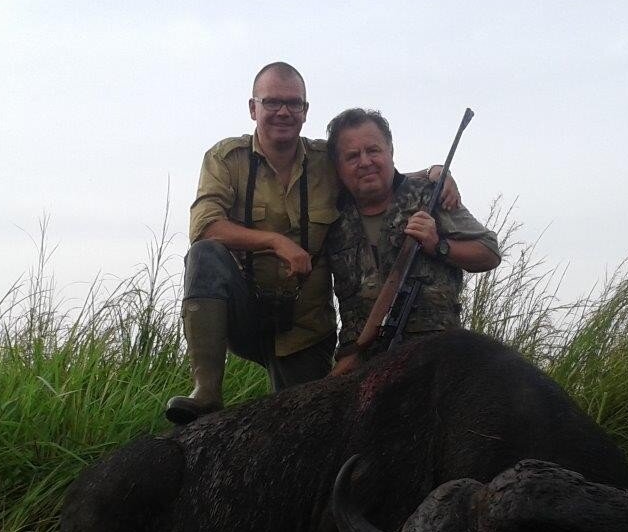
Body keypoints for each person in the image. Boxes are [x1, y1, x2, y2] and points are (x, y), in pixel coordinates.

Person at [167, 63, 459, 424]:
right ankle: (207, 392)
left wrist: (434, 174)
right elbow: (205, 226)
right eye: (272, 102)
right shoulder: (226, 159)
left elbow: (373, 174)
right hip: (245, 313)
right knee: (204, 255)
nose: (284, 112)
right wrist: (275, 241)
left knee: (304, 430)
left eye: (294, 103)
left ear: (305, 111)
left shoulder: (326, 160)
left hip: (304, 329)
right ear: (252, 108)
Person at [323, 107, 500, 371]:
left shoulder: (431, 196)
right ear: (338, 166)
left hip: (437, 360)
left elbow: (489, 252)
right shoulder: (329, 216)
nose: (365, 162)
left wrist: (439, 246)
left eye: (373, 151)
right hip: (359, 363)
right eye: (352, 156)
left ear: (390, 151)